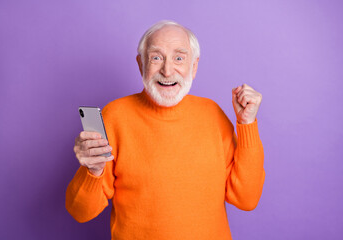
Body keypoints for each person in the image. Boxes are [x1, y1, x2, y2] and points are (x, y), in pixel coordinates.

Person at [66, 20, 265, 240]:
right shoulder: (114, 116)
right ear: (141, 64)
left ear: (194, 66)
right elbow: (80, 212)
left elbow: (247, 199)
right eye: (156, 58)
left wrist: (247, 124)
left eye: (179, 58)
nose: (167, 70)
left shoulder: (214, 115)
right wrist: (93, 172)